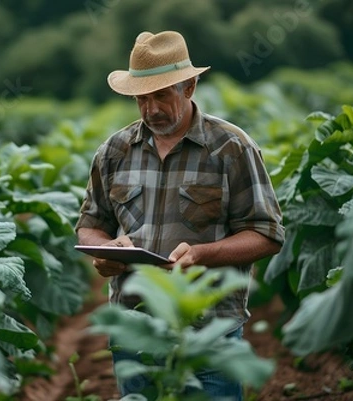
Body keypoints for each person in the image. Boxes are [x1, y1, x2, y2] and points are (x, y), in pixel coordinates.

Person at [75, 30, 285, 400]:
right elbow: (90, 226)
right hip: (134, 327)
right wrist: (106, 250)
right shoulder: (114, 151)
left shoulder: (231, 148)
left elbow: (266, 233)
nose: (150, 109)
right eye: (141, 98)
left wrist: (203, 255)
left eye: (160, 95)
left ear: (189, 87)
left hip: (208, 332)